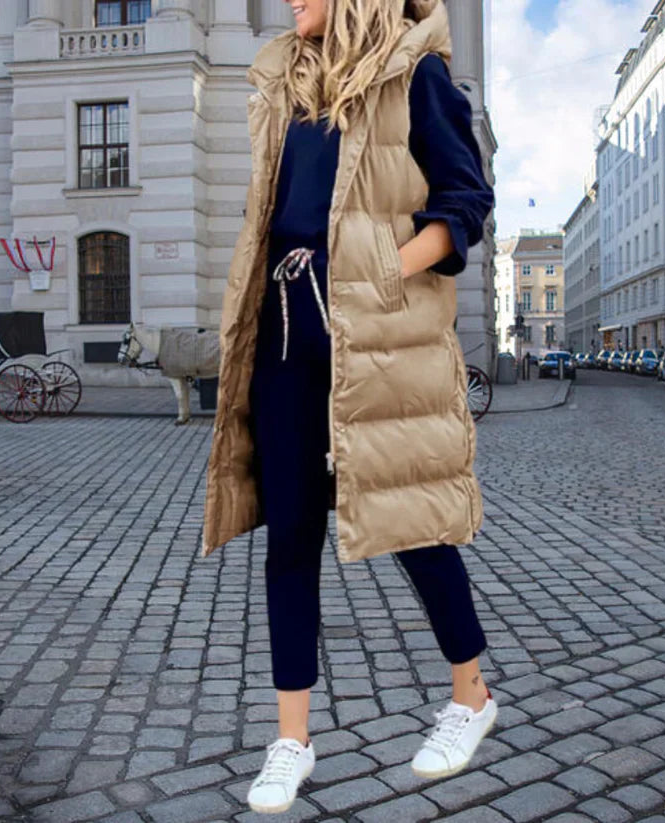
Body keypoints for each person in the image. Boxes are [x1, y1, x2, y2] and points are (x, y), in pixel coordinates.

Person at [201, 0, 497, 814]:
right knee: (290, 540)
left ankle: (470, 695)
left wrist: (378, 273)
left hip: (375, 340)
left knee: (413, 524)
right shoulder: (288, 87)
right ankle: (291, 740)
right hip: (285, 340)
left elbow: (465, 200)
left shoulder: (415, 74)